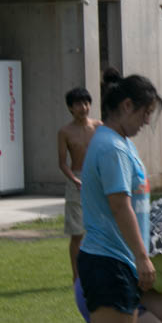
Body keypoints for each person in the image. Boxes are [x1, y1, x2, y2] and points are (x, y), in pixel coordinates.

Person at [78, 68, 162, 323]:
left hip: (119, 260)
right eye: (145, 113)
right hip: (107, 259)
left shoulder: (118, 142)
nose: (146, 121)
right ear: (126, 106)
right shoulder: (110, 146)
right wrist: (142, 257)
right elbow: (119, 205)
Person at [57, 87, 103, 283]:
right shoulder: (65, 132)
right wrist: (74, 179)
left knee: (100, 230)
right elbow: (61, 162)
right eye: (78, 104)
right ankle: (77, 276)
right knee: (77, 232)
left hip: (98, 180)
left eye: (86, 103)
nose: (83, 107)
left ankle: (98, 272)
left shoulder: (99, 127)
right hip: (76, 180)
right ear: (70, 108)